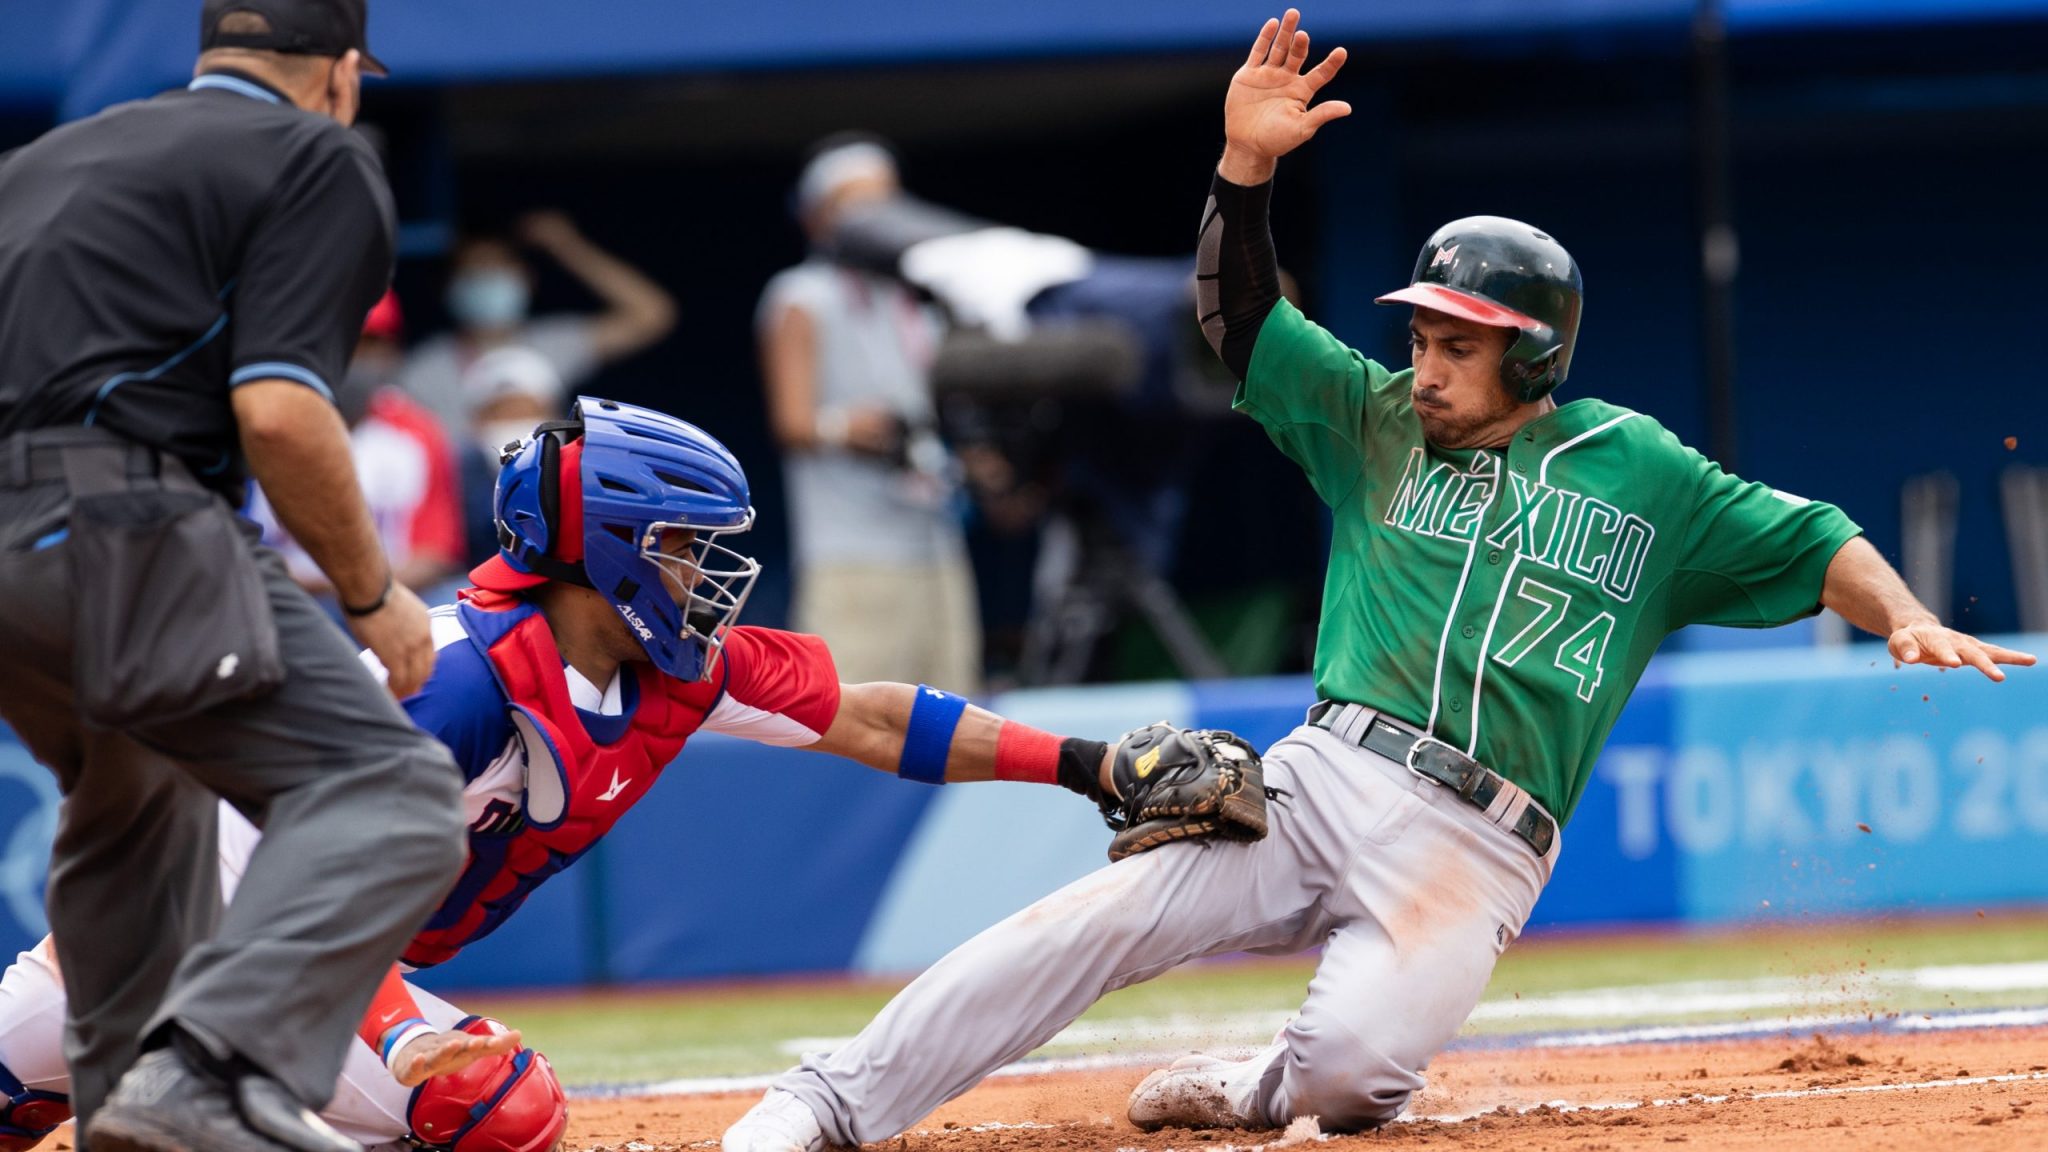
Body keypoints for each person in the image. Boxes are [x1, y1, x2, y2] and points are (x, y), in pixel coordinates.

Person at [718, 11, 2038, 1149]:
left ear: (1535, 357)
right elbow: (1238, 322)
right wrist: (1243, 171)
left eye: (1462, 344)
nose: (1427, 362)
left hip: (1480, 849)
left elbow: (1815, 539)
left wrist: (1908, 616)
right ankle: (824, 1105)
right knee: (1094, 920)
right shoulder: (1371, 420)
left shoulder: (1640, 469)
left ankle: (1259, 1089)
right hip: (1323, 777)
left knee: (1353, 1080)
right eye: (1421, 333)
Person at [0, 394, 1156, 1152]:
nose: (703, 572)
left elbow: (868, 720)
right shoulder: (451, 684)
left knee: (486, 1100)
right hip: (190, 941)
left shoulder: (670, 666)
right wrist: (406, 1035)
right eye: (681, 545)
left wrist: (1089, 765)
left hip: (277, 963)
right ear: (606, 549)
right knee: (487, 1101)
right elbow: (250, 884)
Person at [0, 2, 472, 1150]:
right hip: (129, 522)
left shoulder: (39, 161)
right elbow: (279, 410)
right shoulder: (316, 153)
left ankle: (134, 1114)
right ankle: (210, 1066)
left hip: (12, 558)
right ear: (340, 74)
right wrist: (372, 595)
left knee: (136, 809)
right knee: (395, 797)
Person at [758, 135, 981, 690]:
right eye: (857, 205)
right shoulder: (799, 296)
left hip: (937, 543)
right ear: (817, 219)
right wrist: (846, 429)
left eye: (888, 201)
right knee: (849, 711)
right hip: (851, 554)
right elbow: (791, 422)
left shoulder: (920, 299)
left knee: (956, 706)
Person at [249, 292, 467, 598]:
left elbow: (434, 552)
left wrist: (368, 597)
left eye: (370, 344)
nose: (354, 358)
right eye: (344, 343)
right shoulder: (265, 420)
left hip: (394, 595)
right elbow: (243, 552)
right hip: (291, 598)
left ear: (392, 351)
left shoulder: (418, 431)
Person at [399, 212, 677, 439]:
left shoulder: (551, 344)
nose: (488, 277)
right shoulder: (424, 367)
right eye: (475, 269)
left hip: (542, 495)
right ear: (448, 288)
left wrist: (568, 246)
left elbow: (651, 314)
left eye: (499, 267)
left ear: (527, 279)